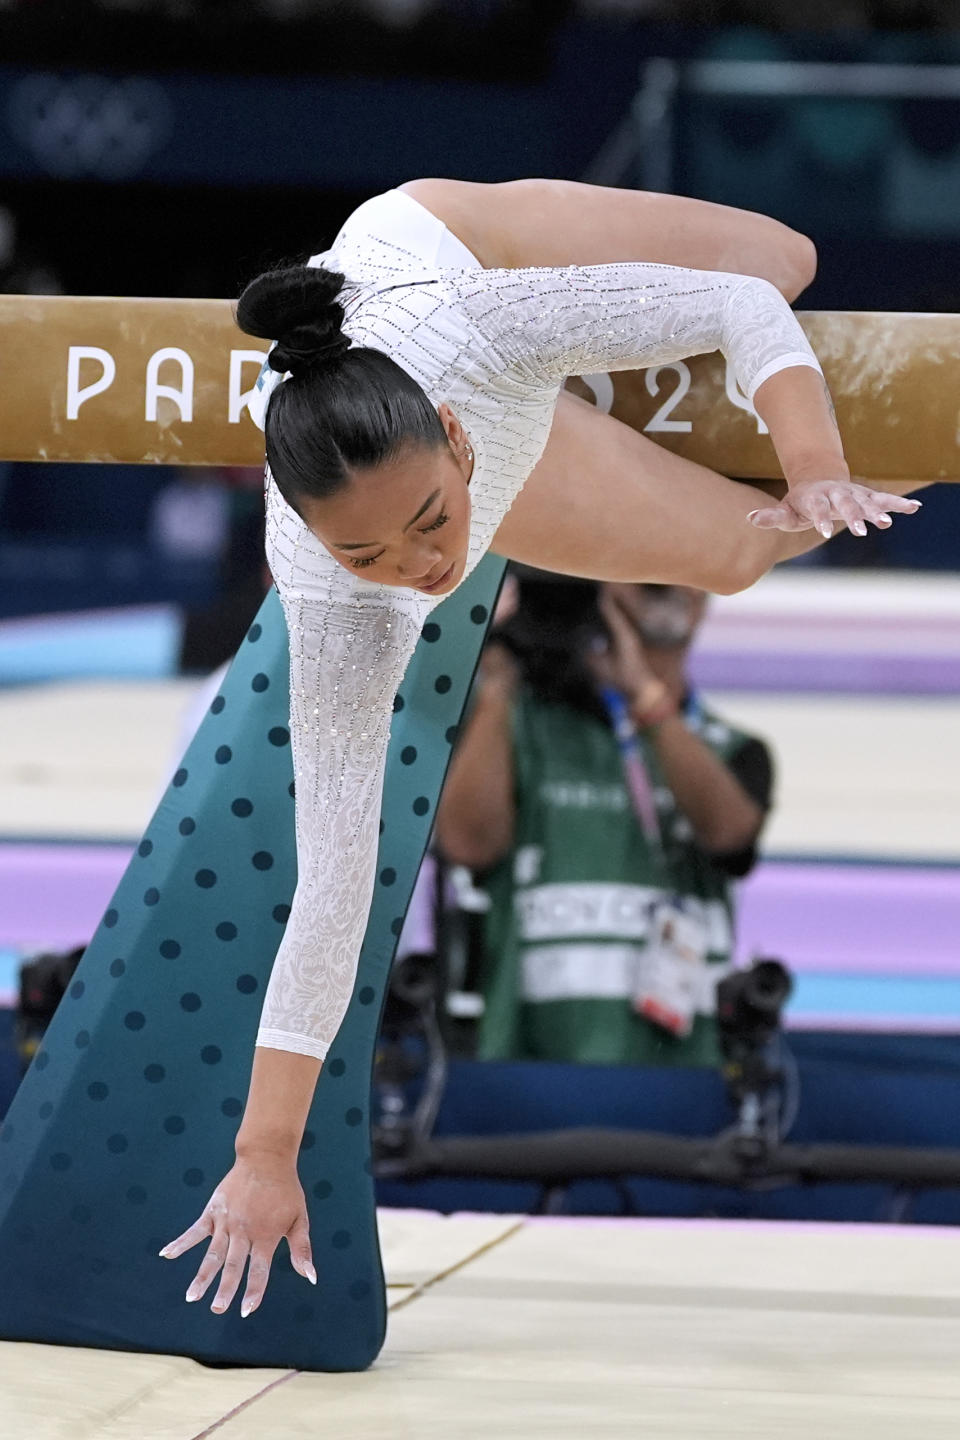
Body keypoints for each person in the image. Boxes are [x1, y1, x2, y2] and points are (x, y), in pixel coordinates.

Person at [158, 178, 920, 1316]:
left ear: (455, 443)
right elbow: (333, 886)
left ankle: (598, 359)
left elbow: (742, 308)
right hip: (485, 423)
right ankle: (597, 374)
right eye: (372, 554)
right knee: (736, 557)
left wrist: (812, 458)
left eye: (428, 527)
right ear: (316, 540)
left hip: (458, 258)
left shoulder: (480, 333)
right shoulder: (334, 598)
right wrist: (267, 1150)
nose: (422, 570)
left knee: (786, 257)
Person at [434, 574, 772, 1067]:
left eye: (680, 572)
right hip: (529, 1065)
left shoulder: (735, 749)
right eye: (642, 574)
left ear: (705, 599)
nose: (663, 582)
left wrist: (644, 695)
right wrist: (498, 686)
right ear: (596, 596)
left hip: (688, 1071)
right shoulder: (521, 728)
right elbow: (467, 845)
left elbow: (730, 836)